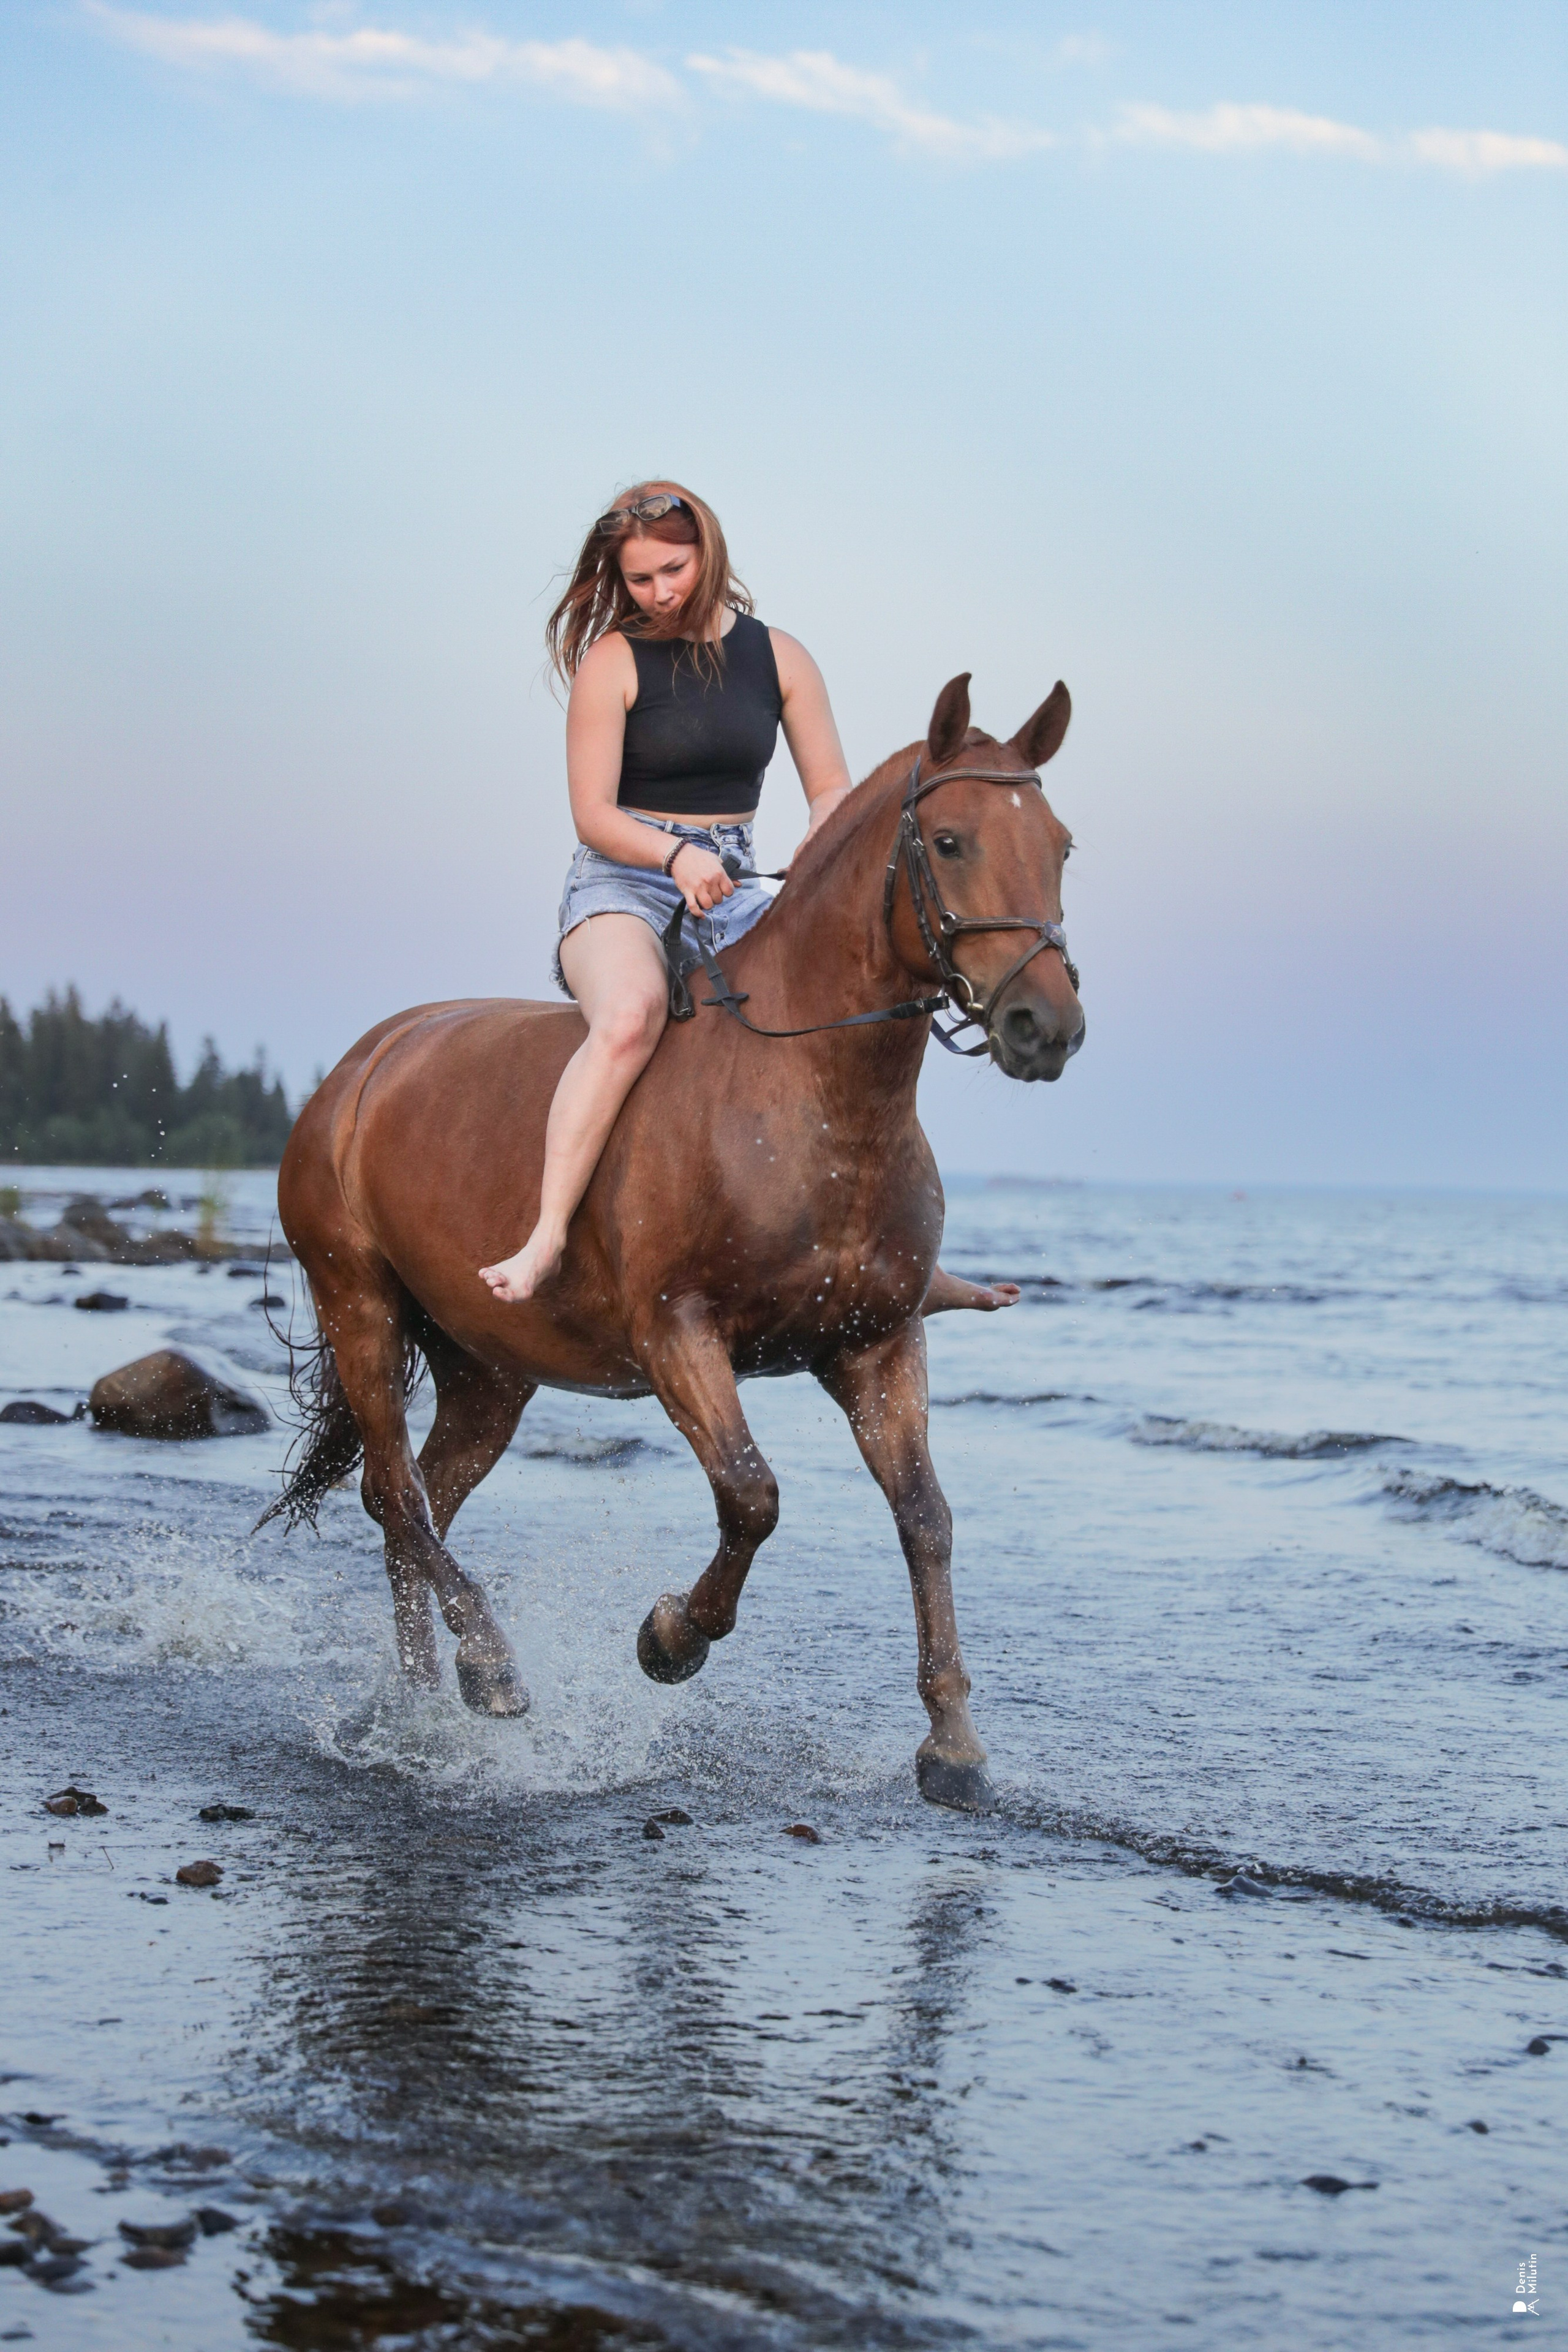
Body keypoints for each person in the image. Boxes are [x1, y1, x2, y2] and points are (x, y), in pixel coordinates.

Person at [478, 481, 854, 1304]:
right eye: (641, 580)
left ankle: (880, 1243)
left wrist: (820, 835)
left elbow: (831, 790)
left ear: (708, 553)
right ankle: (545, 1238)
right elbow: (592, 815)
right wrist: (676, 854)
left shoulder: (781, 657)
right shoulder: (612, 661)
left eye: (674, 571)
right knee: (628, 1018)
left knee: (842, 1009)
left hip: (736, 879)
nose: (660, 593)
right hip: (624, 879)